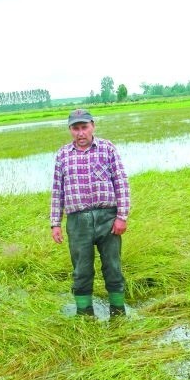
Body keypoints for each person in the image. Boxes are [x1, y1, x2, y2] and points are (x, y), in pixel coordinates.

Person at [50, 109, 130, 317]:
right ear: (70, 130)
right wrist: (55, 223)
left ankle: (118, 312)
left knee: (113, 267)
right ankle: (85, 315)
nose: (80, 133)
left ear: (92, 126)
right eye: (75, 128)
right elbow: (57, 190)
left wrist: (122, 216)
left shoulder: (107, 149)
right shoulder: (63, 155)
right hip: (77, 222)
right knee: (82, 271)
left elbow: (121, 183)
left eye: (84, 127)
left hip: (108, 219)